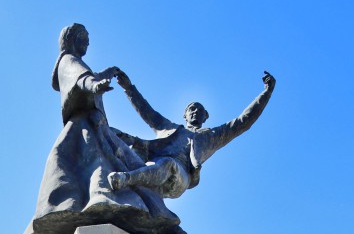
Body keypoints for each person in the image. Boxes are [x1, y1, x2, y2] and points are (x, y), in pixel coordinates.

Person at [22, 24, 183, 234]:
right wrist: (95, 84)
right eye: (84, 38)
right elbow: (81, 79)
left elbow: (88, 77)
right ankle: (151, 216)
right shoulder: (68, 60)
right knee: (102, 168)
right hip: (85, 128)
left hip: (98, 127)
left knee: (133, 167)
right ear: (72, 39)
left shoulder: (76, 62)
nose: (88, 43)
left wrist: (106, 74)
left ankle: (162, 220)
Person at [108, 70, 276, 211]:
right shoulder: (168, 127)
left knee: (168, 163)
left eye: (200, 110)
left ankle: (125, 179)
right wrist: (128, 88)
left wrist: (266, 93)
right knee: (116, 135)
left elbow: (242, 122)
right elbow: (146, 111)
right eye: (192, 109)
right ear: (185, 115)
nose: (195, 111)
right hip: (153, 163)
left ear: (205, 116)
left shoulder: (210, 136)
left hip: (179, 176)